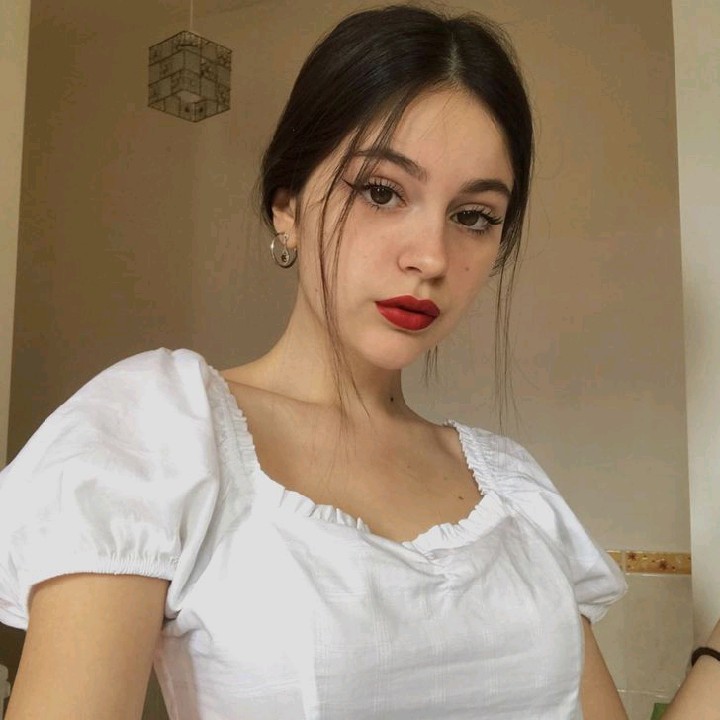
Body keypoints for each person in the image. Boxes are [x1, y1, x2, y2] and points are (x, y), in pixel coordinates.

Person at [0, 5, 631, 719]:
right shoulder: (157, 430)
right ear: (287, 207)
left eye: (473, 216)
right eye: (382, 192)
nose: (431, 256)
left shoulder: (515, 491)